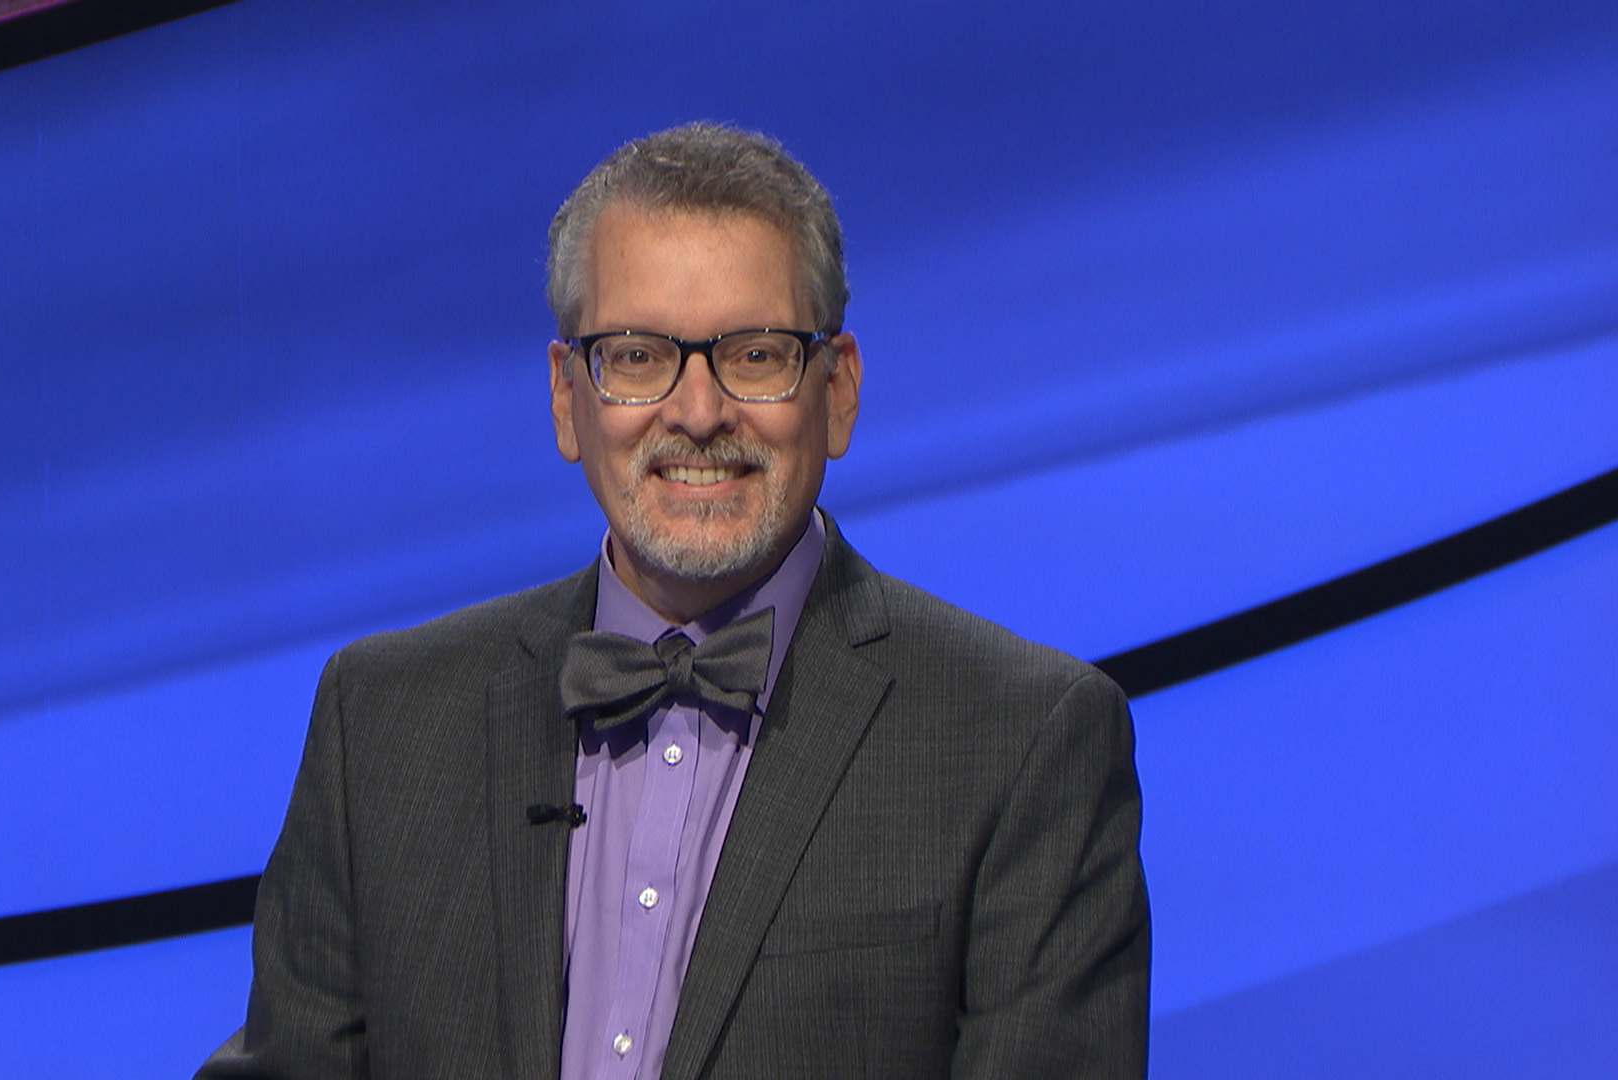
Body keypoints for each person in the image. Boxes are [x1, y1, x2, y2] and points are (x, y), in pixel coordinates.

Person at [197, 122, 1149, 1080]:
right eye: (639, 356)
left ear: (839, 390)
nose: (697, 412)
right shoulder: (384, 723)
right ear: (569, 398)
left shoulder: (1025, 740)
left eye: (756, 353)